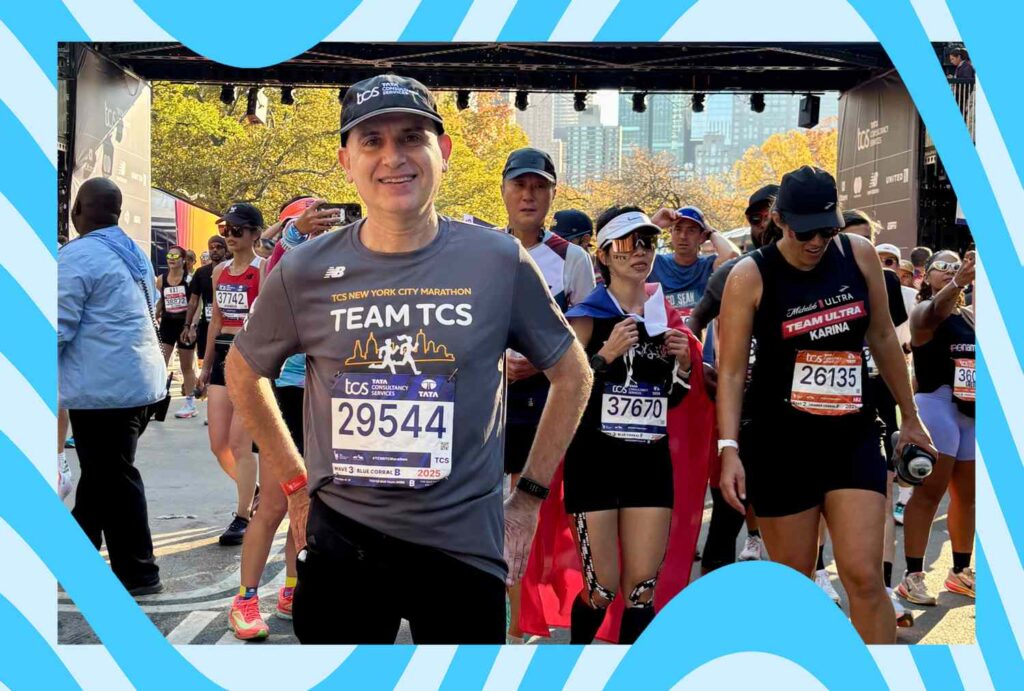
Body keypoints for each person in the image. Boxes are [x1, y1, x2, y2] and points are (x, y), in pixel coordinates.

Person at [225, 73, 592, 644]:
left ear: (442, 151)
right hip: (343, 541)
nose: (393, 157)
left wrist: (529, 499)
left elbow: (573, 374)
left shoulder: (498, 260)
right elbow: (243, 371)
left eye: (411, 138)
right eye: (372, 141)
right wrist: (295, 485)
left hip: (462, 547)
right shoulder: (305, 270)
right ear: (346, 161)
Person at [717, 166, 935, 644]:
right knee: (796, 588)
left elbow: (882, 336)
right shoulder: (749, 275)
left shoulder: (857, 254)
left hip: (851, 437)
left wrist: (912, 417)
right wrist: (728, 448)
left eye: (827, 230)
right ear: (779, 220)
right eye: (805, 232)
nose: (817, 242)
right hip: (780, 444)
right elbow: (731, 372)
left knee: (864, 577)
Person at [558, 206, 696, 644]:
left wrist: (684, 367)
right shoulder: (585, 315)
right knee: (601, 589)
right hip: (594, 464)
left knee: (641, 590)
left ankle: (633, 673)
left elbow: (669, 401)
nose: (640, 252)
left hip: (648, 466)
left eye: (648, 242)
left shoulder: (662, 318)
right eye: (627, 243)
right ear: (603, 254)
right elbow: (563, 391)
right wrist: (603, 357)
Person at [226, 195, 339, 640]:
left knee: (311, 504)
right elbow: (273, 277)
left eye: (321, 223)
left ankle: (293, 588)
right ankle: (246, 599)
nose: (316, 229)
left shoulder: (337, 265)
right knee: (275, 503)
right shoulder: (282, 265)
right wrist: (293, 235)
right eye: (306, 223)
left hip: (326, 397)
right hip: (285, 395)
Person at [500, 148, 596, 643]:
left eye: (539, 186)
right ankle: (500, 620)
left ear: (553, 194)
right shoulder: (485, 248)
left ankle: (522, 627)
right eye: (520, 185)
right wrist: (497, 363)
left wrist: (539, 362)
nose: (528, 195)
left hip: (546, 403)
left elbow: (584, 335)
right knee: (483, 514)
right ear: (504, 190)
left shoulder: (572, 258)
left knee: (530, 515)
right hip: (490, 403)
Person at [58, 178, 166, 595]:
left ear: (78, 210)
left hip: (104, 389)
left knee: (114, 478)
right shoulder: (133, 251)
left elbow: (56, 325)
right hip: (139, 383)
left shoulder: (77, 255)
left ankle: (140, 573)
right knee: (102, 476)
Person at [689, 185, 783, 574]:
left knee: (792, 524)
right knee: (727, 517)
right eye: (755, 218)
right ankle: (717, 599)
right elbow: (695, 321)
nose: (764, 225)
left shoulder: (819, 272)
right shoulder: (733, 272)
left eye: (771, 216)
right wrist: (699, 367)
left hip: (798, 417)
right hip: (740, 416)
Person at [843, 212, 914, 625]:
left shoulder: (886, 282)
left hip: (876, 400)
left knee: (883, 492)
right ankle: (818, 575)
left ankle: (886, 588)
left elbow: (897, 343)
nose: (862, 249)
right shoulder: (815, 276)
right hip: (826, 405)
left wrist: (911, 413)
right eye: (853, 240)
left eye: (868, 240)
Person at [897, 251, 976, 605]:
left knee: (967, 497)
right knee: (929, 494)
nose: (950, 270)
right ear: (926, 276)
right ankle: (912, 577)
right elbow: (933, 314)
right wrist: (958, 282)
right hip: (937, 406)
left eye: (955, 266)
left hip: (969, 412)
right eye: (941, 267)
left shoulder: (968, 317)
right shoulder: (923, 311)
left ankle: (960, 571)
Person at [197, 203, 266, 547]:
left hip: (250, 359)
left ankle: (242, 516)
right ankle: (253, 490)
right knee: (218, 444)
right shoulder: (219, 271)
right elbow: (216, 319)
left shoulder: (264, 268)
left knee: (240, 443)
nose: (230, 236)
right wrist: (206, 365)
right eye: (225, 230)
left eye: (238, 230)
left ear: (255, 233)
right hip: (223, 355)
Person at [649, 205, 740, 319]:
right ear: (671, 233)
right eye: (678, 230)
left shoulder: (708, 265)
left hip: (699, 328)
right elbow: (631, 250)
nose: (683, 236)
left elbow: (732, 255)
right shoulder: (655, 263)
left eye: (691, 230)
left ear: (702, 237)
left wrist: (711, 232)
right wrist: (653, 224)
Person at [154, 245, 199, 419]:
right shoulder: (161, 279)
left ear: (183, 259)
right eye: (169, 256)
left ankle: (190, 403)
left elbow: (196, 303)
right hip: (167, 323)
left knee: (186, 366)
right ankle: (157, 400)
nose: (171, 259)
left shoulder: (189, 279)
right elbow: (162, 300)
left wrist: (192, 325)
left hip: (183, 324)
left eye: (175, 256)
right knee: (161, 362)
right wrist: (156, 312)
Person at [184, 235, 228, 370]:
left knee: (226, 365)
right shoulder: (201, 272)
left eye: (219, 247)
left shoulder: (232, 268)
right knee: (205, 366)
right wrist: (188, 325)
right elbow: (193, 301)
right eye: (211, 247)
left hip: (228, 326)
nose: (214, 250)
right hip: (207, 325)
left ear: (225, 250)